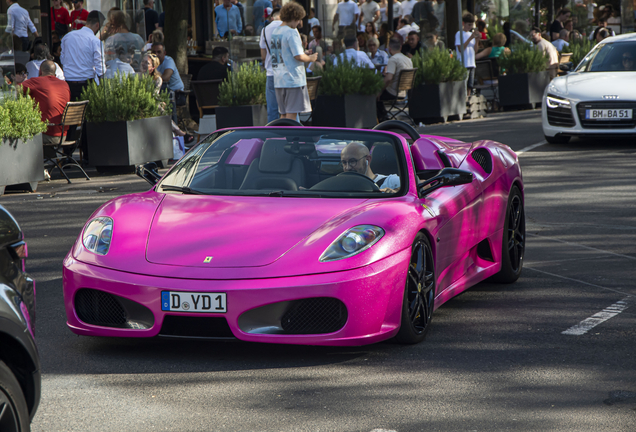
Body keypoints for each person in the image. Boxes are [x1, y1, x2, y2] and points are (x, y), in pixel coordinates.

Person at [270, 1, 317, 120]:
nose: (299, 23)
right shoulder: (291, 32)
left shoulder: (275, 32)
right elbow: (299, 57)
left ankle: (282, 138)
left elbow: (284, 53)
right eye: (298, 19)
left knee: (283, 114)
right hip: (293, 79)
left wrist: (303, 53)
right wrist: (311, 58)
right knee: (292, 115)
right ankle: (290, 139)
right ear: (294, 17)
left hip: (279, 80)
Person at [20, 60, 71, 145]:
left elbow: (13, 91)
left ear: (40, 71)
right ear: (55, 73)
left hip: (45, 134)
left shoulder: (36, 82)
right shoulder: (65, 84)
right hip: (63, 135)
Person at [60, 10, 104, 102]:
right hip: (86, 84)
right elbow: (100, 67)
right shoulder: (95, 41)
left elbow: (62, 59)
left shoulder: (67, 37)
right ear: (98, 25)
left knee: (71, 113)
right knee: (87, 113)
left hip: (68, 83)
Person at [377, 38, 412, 122]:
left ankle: (383, 119)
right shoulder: (408, 59)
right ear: (400, 48)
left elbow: (389, 78)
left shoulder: (393, 59)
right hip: (404, 92)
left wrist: (379, 91)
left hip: (393, 92)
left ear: (389, 49)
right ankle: (384, 117)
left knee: (374, 95)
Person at [260, 7, 282, 122]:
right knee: (290, 111)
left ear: (272, 17)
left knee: (272, 110)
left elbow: (263, 56)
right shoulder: (289, 28)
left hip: (271, 73)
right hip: (286, 74)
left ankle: (273, 136)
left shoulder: (264, 30)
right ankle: (294, 137)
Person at [455, 13, 480, 94]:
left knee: (470, 85)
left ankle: (469, 100)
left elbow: (475, 50)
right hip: (464, 64)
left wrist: (477, 40)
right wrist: (471, 38)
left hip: (471, 63)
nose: (470, 27)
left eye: (471, 25)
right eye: (468, 25)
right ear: (463, 23)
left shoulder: (470, 34)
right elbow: (460, 49)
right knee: (464, 85)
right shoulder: (459, 34)